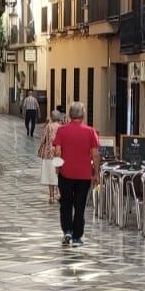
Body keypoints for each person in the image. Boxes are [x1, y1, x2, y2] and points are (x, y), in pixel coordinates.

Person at [53, 101, 100, 247]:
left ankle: (67, 230)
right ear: (83, 115)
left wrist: (57, 167)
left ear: (70, 114)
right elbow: (95, 155)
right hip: (84, 175)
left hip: (65, 173)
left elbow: (57, 151)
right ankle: (77, 237)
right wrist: (96, 173)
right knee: (80, 206)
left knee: (65, 203)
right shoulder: (90, 131)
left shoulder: (62, 131)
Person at [37, 109, 65, 203]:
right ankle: (60, 194)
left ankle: (51, 196)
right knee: (59, 175)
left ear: (52, 117)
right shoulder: (62, 127)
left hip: (48, 154)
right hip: (59, 154)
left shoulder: (48, 126)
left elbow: (43, 139)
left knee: (50, 175)